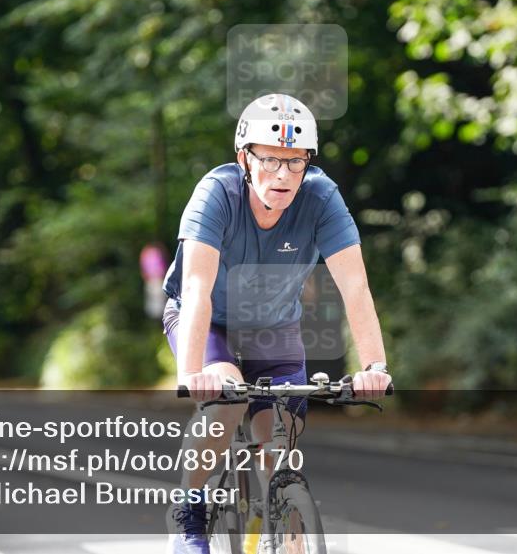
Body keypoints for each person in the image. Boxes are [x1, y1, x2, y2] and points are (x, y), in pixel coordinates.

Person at [162, 93, 391, 554]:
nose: (283, 175)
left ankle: (281, 523)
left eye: (295, 161)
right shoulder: (217, 194)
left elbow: (355, 288)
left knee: (280, 440)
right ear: (243, 158)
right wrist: (193, 375)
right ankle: (189, 509)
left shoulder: (322, 198)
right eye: (269, 160)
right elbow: (198, 289)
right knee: (225, 402)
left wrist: (374, 366)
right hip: (207, 323)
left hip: (274, 327)